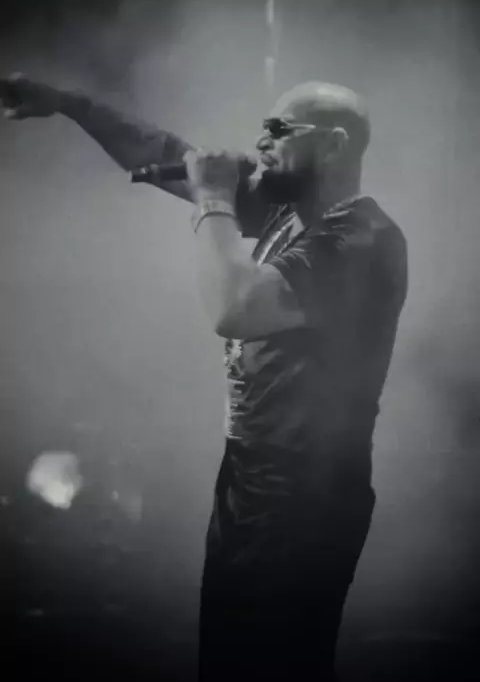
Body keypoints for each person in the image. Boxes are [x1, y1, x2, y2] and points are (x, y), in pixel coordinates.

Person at [1, 74, 408, 681]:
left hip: (307, 499)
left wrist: (214, 198)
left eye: (279, 129)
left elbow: (235, 308)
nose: (260, 141)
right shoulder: (290, 215)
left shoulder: (363, 239)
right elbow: (169, 154)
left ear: (333, 144)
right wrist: (71, 105)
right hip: (250, 484)